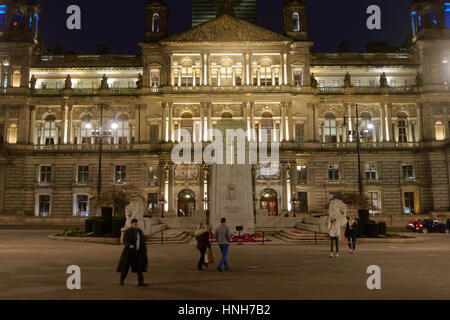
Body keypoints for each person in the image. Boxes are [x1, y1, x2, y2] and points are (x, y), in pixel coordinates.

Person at [116, 219, 148, 286]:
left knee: (139, 268)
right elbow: (124, 240)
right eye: (135, 224)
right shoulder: (128, 231)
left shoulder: (139, 231)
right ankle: (121, 280)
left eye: (136, 224)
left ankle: (141, 282)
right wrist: (129, 245)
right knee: (125, 267)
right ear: (132, 224)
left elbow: (143, 241)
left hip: (138, 253)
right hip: (129, 253)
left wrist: (144, 249)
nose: (136, 225)